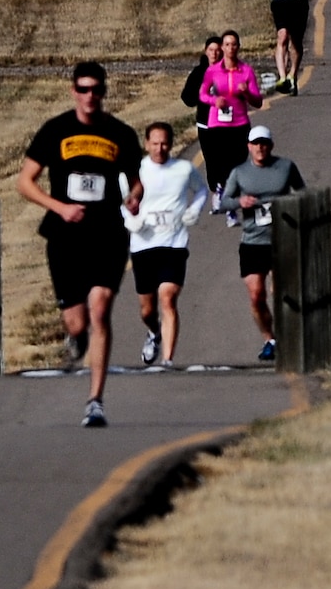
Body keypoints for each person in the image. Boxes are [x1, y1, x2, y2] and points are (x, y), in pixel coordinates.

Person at [18, 61, 144, 428]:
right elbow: (25, 181)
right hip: (65, 237)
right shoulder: (56, 130)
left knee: (101, 309)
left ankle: (95, 400)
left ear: (104, 92)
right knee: (76, 322)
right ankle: (75, 338)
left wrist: (134, 197)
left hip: (107, 234)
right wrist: (59, 208)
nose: (91, 96)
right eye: (84, 89)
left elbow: (137, 181)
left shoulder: (119, 133)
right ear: (74, 91)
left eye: (97, 89)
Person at [217, 126, 305, 362]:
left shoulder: (286, 167)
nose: (260, 147)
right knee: (256, 295)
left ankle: (291, 337)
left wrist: (291, 206)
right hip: (252, 241)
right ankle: (270, 339)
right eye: (255, 143)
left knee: (281, 291)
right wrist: (239, 201)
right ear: (248, 146)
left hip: (282, 238)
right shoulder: (239, 172)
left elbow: (303, 193)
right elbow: (223, 202)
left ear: (271, 145)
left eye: (264, 143)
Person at [126, 122, 207, 367]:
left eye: (164, 143)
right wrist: (131, 219)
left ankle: (167, 361)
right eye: (155, 143)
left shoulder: (183, 169)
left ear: (171, 144)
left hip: (174, 243)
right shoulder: (136, 170)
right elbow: (121, 198)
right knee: (147, 311)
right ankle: (154, 332)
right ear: (146, 144)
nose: (159, 148)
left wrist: (194, 209)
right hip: (143, 244)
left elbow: (202, 190)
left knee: (168, 297)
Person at [199, 31, 264, 199]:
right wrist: (215, 101)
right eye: (227, 44)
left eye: (234, 44)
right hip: (217, 124)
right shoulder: (212, 71)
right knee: (219, 163)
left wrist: (246, 93)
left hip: (239, 124)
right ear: (222, 47)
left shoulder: (246, 71)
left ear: (239, 47)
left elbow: (258, 101)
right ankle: (222, 196)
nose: (230, 48)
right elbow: (202, 94)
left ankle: (231, 196)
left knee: (238, 163)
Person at [181, 33, 223, 184]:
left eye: (218, 50)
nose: (214, 53)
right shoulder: (199, 73)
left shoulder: (231, 70)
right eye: (211, 50)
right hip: (206, 124)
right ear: (206, 51)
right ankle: (217, 192)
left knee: (229, 160)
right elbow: (187, 97)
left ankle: (228, 194)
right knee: (212, 162)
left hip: (228, 123)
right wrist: (201, 95)